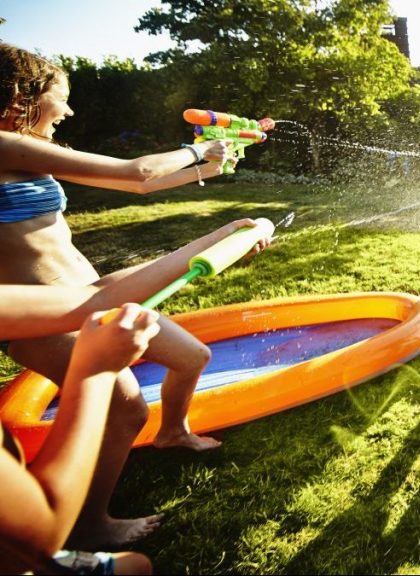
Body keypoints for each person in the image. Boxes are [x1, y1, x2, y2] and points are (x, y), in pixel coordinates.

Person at [0, 42, 267, 548]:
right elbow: (135, 171)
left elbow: (140, 188)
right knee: (125, 408)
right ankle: (89, 521)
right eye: (63, 97)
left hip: (91, 293)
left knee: (192, 356)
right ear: (21, 96)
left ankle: (173, 433)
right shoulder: (2, 145)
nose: (70, 110)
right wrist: (195, 150)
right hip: (40, 316)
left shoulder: (31, 147)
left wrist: (209, 167)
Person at [1, 298, 158, 575]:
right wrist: (96, 368)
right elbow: (45, 535)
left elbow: (94, 293)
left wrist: (202, 252)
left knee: (137, 566)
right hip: (30, 550)